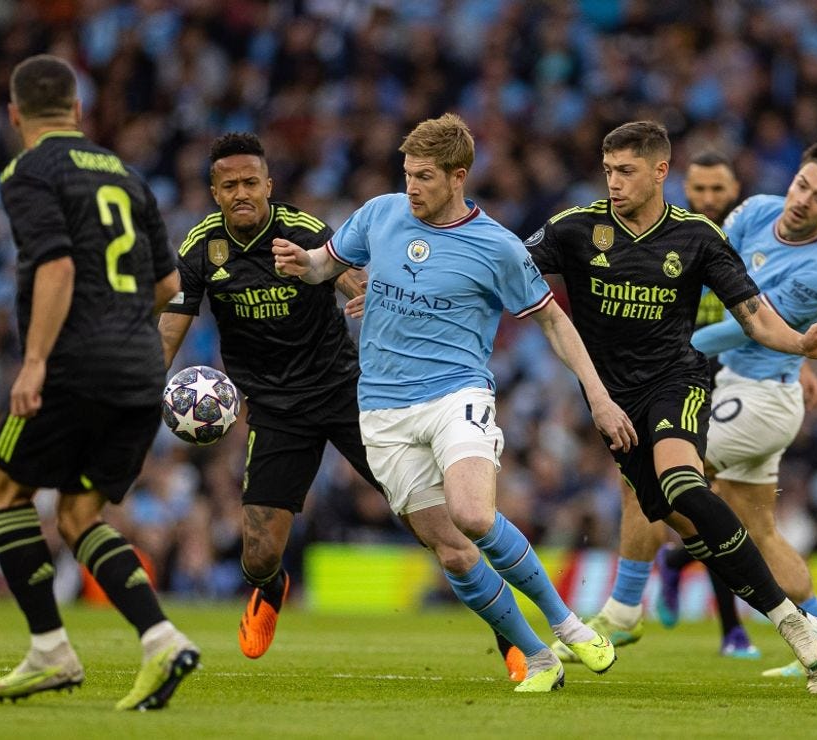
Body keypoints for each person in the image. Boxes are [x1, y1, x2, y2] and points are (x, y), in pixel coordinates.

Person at [274, 113, 635, 693]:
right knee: (453, 552)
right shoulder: (381, 213)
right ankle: (538, 658)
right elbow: (326, 265)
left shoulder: (497, 246)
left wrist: (598, 396)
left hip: (455, 394)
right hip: (382, 410)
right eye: (407, 174)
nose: (411, 187)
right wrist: (304, 264)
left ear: (457, 176)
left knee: (473, 514)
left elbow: (552, 320)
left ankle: (568, 624)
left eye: (424, 177)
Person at [525, 120, 817, 694]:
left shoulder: (697, 237)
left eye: (626, 171)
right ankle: (803, 622)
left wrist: (802, 346)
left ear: (659, 172)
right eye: (608, 171)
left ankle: (778, 626)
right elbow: (504, 264)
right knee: (688, 522)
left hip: (678, 381)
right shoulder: (574, 228)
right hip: (614, 403)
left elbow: (754, 317)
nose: (614, 183)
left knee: (684, 485)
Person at [0, 54, 197, 711]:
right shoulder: (127, 175)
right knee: (78, 515)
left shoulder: (28, 171)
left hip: (73, 366)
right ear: (78, 110)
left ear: (15, 114)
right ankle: (161, 639)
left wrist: (35, 361)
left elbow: (57, 267)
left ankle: (50, 648)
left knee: (0, 491)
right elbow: (168, 284)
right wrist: (123, 331)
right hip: (140, 368)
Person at [158, 132, 383, 661]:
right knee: (257, 556)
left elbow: (356, 282)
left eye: (250, 182)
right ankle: (272, 588)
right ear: (215, 192)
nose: (242, 192)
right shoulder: (200, 249)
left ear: (268, 185)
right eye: (230, 185)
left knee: (428, 517)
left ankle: (510, 635)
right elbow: (169, 331)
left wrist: (368, 297)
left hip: (343, 392)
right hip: (276, 409)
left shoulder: (304, 231)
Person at [689, 140, 817, 681]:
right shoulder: (756, 210)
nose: (801, 200)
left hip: (761, 398)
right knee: (761, 533)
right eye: (801, 185)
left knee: (672, 476)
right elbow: (710, 267)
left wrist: (673, 343)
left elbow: (744, 328)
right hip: (743, 387)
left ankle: (639, 592)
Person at [577, 151, 762, 659]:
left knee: (716, 501)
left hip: (735, 382)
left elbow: (770, 312)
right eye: (699, 189)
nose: (708, 198)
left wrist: (801, 364)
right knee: (658, 488)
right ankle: (710, 624)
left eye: (718, 189)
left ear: (735, 190)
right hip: (671, 381)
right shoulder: (672, 240)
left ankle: (677, 571)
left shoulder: (742, 243)